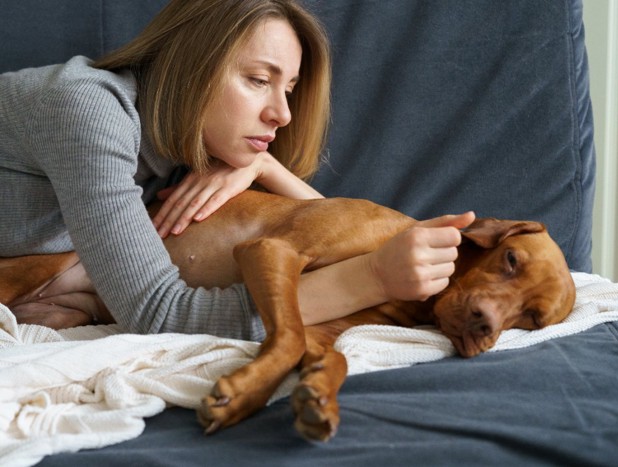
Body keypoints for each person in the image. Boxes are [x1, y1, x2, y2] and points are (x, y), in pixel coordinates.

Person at [0, 0, 474, 341]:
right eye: (258, 80)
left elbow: (336, 229)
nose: (282, 114)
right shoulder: (89, 112)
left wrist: (266, 167)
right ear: (187, 66)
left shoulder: (186, 150)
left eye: (288, 88)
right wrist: (372, 278)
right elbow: (160, 314)